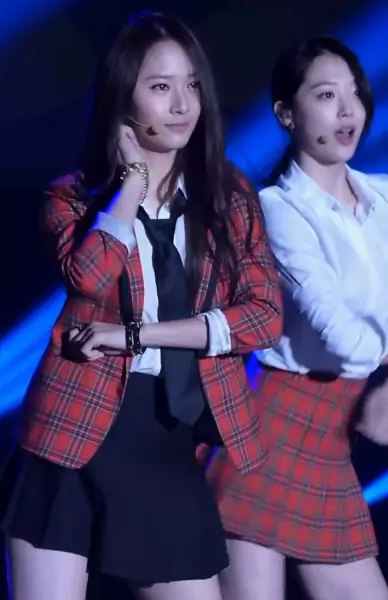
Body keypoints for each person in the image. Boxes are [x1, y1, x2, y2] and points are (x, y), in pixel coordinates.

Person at [0, 11, 282, 600]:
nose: (182, 104)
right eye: (160, 86)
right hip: (72, 434)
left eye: (191, 84)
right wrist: (132, 183)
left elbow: (265, 318)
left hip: (164, 442)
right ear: (124, 97)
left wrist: (137, 336)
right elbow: (90, 277)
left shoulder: (229, 197)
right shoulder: (73, 197)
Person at [202, 36, 388, 600]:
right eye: (327, 96)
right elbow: (344, 341)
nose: (348, 110)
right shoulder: (278, 210)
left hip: (330, 440)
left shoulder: (383, 198)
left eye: (354, 94)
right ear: (286, 114)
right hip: (269, 432)